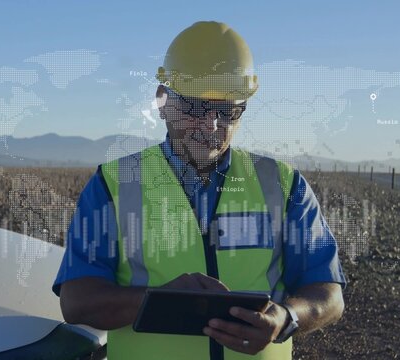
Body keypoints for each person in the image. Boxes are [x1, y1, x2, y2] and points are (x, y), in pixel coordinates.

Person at [53, 21, 346, 360]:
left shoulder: (283, 185)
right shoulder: (114, 183)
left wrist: (286, 318)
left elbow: (328, 293)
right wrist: (158, 300)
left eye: (227, 110)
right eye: (194, 107)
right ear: (163, 103)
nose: (212, 125)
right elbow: (77, 302)